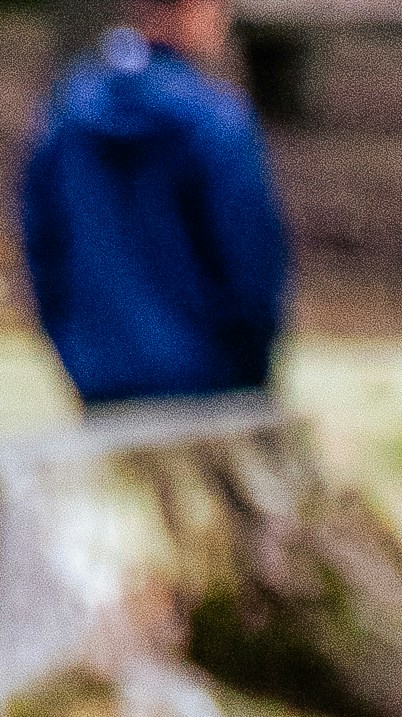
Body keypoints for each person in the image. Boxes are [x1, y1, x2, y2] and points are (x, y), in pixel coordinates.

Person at [19, 0, 289, 412]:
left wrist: (72, 345)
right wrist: (251, 371)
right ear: (193, 10)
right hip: (215, 384)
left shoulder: (67, 115)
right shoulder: (215, 122)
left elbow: (42, 244)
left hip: (99, 377)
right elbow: (251, 262)